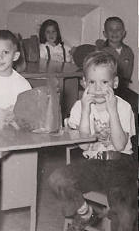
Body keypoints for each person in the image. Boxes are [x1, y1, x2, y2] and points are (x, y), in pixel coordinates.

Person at [48, 51, 136, 231]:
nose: (97, 89)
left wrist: (112, 111)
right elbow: (85, 145)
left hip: (121, 164)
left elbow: (119, 145)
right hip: (93, 163)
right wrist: (86, 111)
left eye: (105, 82)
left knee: (126, 213)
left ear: (115, 83)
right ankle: (86, 213)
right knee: (57, 178)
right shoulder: (80, 107)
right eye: (92, 82)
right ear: (83, 83)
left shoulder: (123, 107)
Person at [96, 17, 134, 98]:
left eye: (118, 29)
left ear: (124, 33)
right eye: (111, 29)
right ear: (105, 33)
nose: (115, 32)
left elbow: (128, 74)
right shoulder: (102, 52)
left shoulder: (128, 51)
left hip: (123, 89)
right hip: (106, 89)